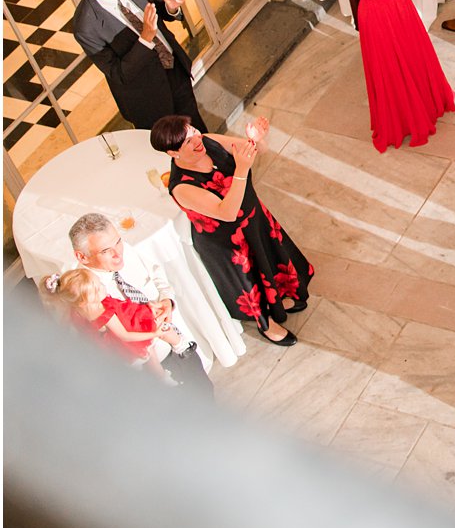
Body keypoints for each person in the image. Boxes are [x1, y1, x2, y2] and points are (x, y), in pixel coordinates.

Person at [151, 114, 312, 347]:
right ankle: (266, 324)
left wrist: (257, 139)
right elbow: (226, 211)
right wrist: (241, 171)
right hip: (229, 242)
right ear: (172, 153)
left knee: (270, 260)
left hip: (253, 219)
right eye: (186, 142)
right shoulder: (182, 186)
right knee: (250, 282)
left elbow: (253, 151)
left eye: (193, 131)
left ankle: (279, 299)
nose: (196, 140)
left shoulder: (206, 141)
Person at [332, 0, 455, 152]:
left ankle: (427, 105)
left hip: (400, 4)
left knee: (413, 55)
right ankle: (406, 118)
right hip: (377, 16)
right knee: (393, 67)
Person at [69, 212, 210, 390]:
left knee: (204, 390)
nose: (118, 253)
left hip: (177, 343)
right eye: (106, 251)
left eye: (118, 241)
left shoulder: (124, 250)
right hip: (150, 369)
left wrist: (167, 300)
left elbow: (156, 273)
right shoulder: (86, 293)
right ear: (82, 257)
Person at [72, 0, 205, 134]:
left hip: (175, 70)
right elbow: (119, 74)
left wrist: (170, 7)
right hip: (148, 99)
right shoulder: (86, 27)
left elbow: (157, 4)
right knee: (172, 151)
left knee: (200, 133)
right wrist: (145, 38)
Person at [46, 268, 180, 384]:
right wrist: (154, 333)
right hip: (123, 341)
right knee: (150, 347)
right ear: (84, 301)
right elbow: (126, 336)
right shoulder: (103, 314)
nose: (103, 287)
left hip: (107, 345)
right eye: (98, 289)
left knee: (150, 350)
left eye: (99, 283)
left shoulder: (75, 312)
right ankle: (165, 370)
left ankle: (162, 372)